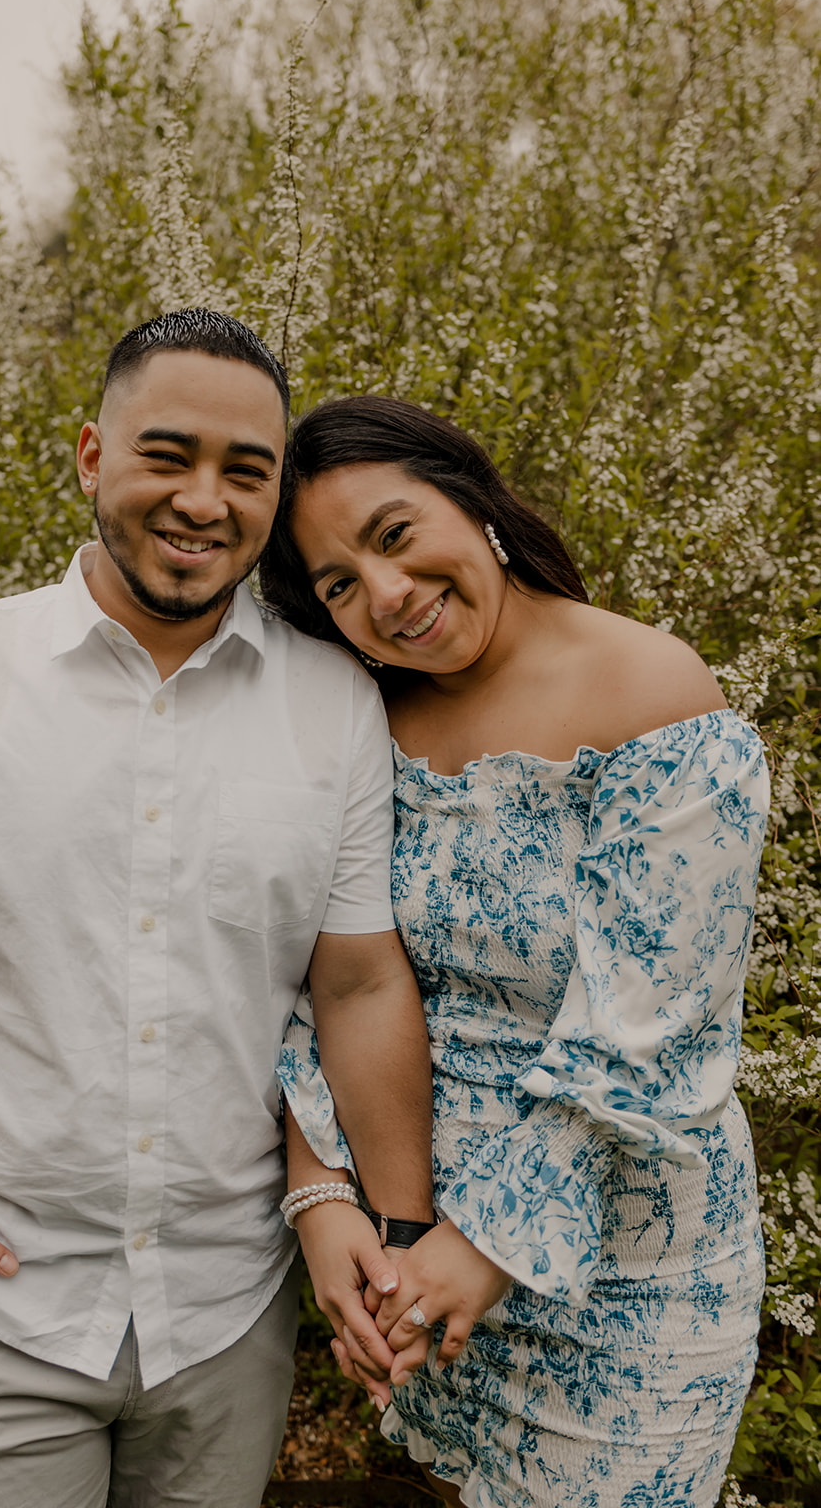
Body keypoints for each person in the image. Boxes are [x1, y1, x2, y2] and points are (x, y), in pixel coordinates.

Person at [0, 314, 434, 1508]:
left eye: (245, 471)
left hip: (226, 1309)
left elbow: (356, 980)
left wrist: (394, 1233)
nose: (201, 499)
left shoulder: (337, 702)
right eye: (164, 455)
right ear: (90, 457)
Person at [260, 394, 769, 1508]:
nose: (385, 596)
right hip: (420, 1259)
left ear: (473, 497)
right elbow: (324, 973)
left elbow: (645, 1027)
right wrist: (324, 1196)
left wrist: (483, 1247)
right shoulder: (367, 721)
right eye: (337, 583)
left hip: (627, 1276)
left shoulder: (653, 693)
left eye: (394, 534)